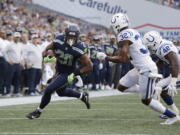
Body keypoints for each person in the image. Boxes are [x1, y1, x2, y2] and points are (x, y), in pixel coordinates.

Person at [96, 13, 180, 125]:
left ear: (117, 25)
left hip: (145, 69)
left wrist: (106, 57)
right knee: (121, 86)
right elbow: (128, 54)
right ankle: (149, 90)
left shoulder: (123, 35)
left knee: (146, 100)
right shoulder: (133, 31)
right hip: (140, 67)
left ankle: (173, 116)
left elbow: (123, 58)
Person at [26, 25, 93, 119]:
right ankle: (82, 96)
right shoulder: (59, 39)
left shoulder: (79, 48)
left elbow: (90, 66)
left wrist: (75, 74)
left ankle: (38, 111)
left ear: (77, 37)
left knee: (48, 90)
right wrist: (48, 54)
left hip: (68, 73)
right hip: (59, 70)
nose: (71, 39)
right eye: (69, 36)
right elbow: (48, 49)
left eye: (73, 37)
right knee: (61, 92)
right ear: (65, 35)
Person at [143, 31, 179, 118]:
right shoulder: (159, 47)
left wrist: (173, 82)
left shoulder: (164, 47)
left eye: (149, 46)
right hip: (178, 71)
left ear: (154, 43)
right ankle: (174, 112)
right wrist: (155, 74)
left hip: (178, 70)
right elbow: (160, 62)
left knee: (162, 89)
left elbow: (175, 63)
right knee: (159, 87)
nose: (149, 48)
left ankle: (173, 112)